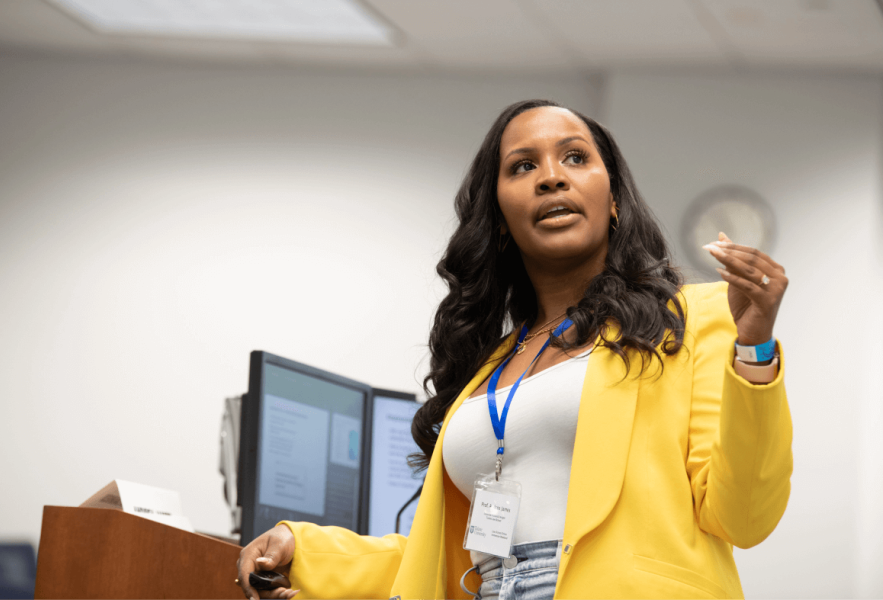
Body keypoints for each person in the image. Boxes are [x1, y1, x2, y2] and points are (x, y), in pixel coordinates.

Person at [236, 99, 792, 600]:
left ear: (615, 201)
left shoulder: (689, 318)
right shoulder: (490, 368)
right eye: (523, 166)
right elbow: (442, 564)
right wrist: (304, 549)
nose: (551, 177)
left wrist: (755, 350)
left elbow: (743, 516)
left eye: (575, 157)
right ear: (500, 222)